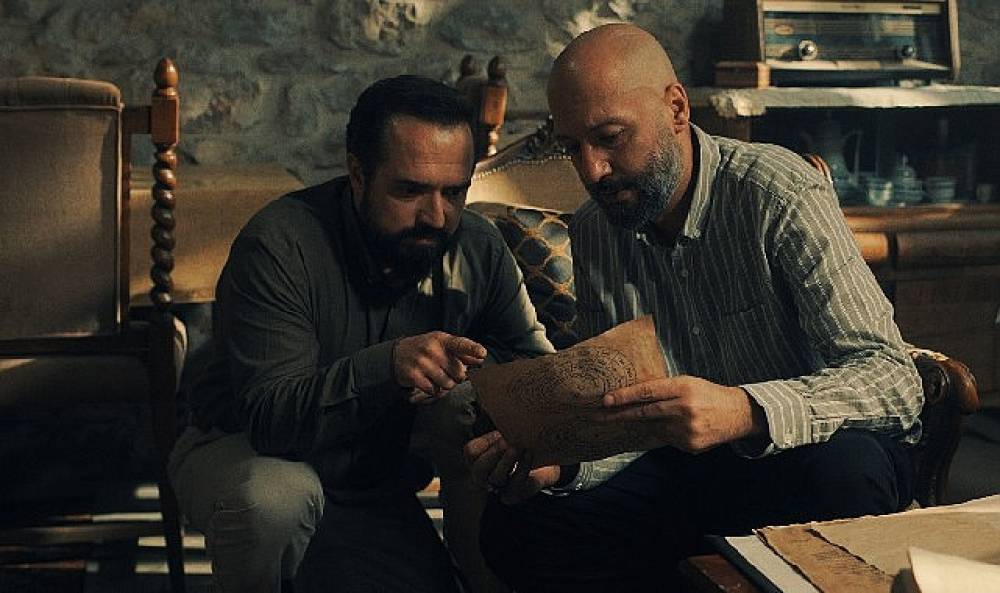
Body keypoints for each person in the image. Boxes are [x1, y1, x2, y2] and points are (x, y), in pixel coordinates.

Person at [465, 24, 924, 593]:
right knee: (516, 529)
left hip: (804, 455)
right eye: (573, 147)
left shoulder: (778, 193)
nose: (592, 171)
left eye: (610, 138)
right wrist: (564, 464)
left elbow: (893, 379)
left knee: (847, 472)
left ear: (676, 109)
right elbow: (625, 422)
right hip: (684, 469)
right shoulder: (596, 228)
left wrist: (746, 410)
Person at [168, 75, 552, 593]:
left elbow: (536, 370)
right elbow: (270, 420)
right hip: (249, 455)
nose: (436, 216)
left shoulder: (477, 247)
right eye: (409, 191)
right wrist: (388, 365)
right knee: (275, 502)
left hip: (373, 484)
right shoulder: (280, 244)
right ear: (356, 174)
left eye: (454, 192)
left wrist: (478, 380)